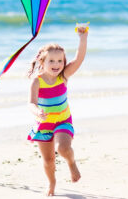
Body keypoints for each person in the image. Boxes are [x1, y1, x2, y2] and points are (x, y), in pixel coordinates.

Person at [27, 26, 88, 196]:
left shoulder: (64, 76)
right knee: (48, 160)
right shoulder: (37, 81)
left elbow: (79, 59)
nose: (56, 64)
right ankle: (51, 182)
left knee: (62, 148)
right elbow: (30, 103)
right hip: (43, 124)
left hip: (63, 121)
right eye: (51, 61)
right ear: (42, 62)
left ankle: (71, 162)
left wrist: (82, 39)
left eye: (60, 61)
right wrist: (37, 112)